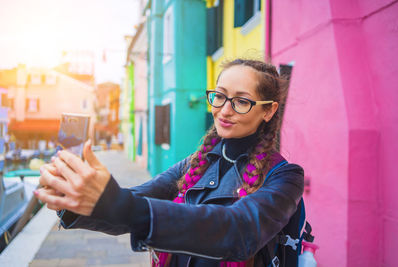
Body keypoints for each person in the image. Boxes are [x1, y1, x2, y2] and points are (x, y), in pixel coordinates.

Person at [35, 59, 304, 267]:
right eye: (219, 96)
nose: (224, 110)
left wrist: (119, 202)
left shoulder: (285, 177)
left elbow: (239, 229)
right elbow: (134, 201)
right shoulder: (195, 163)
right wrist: (74, 200)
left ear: (268, 110)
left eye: (241, 101)